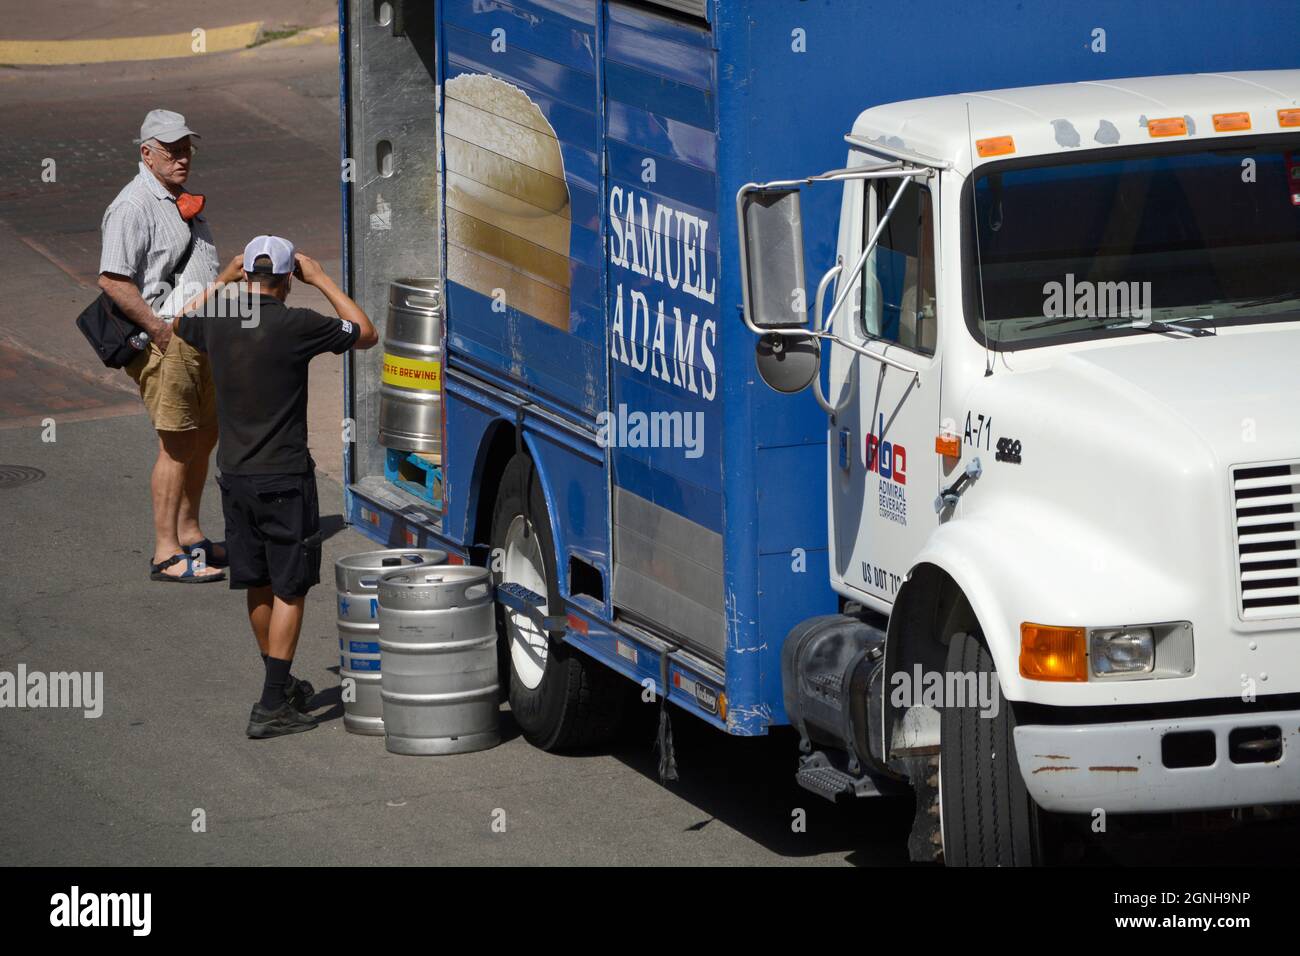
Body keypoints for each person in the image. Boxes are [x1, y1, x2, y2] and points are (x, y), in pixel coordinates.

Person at [175, 236, 379, 738]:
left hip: (236, 474)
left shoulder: (221, 320)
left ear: (248, 276)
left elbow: (179, 323)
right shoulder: (299, 324)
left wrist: (221, 278)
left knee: (258, 581)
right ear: (289, 279)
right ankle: (271, 703)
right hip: (285, 476)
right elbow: (366, 333)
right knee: (290, 587)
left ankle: (279, 683)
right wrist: (325, 279)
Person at [98, 109, 226, 583]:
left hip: (200, 340)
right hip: (168, 343)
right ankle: (165, 552)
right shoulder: (133, 206)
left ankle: (191, 535)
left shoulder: (178, 197)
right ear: (146, 153)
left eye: (186, 147)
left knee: (203, 436)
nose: (182, 157)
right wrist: (158, 328)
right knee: (175, 446)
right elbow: (112, 279)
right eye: (171, 149)